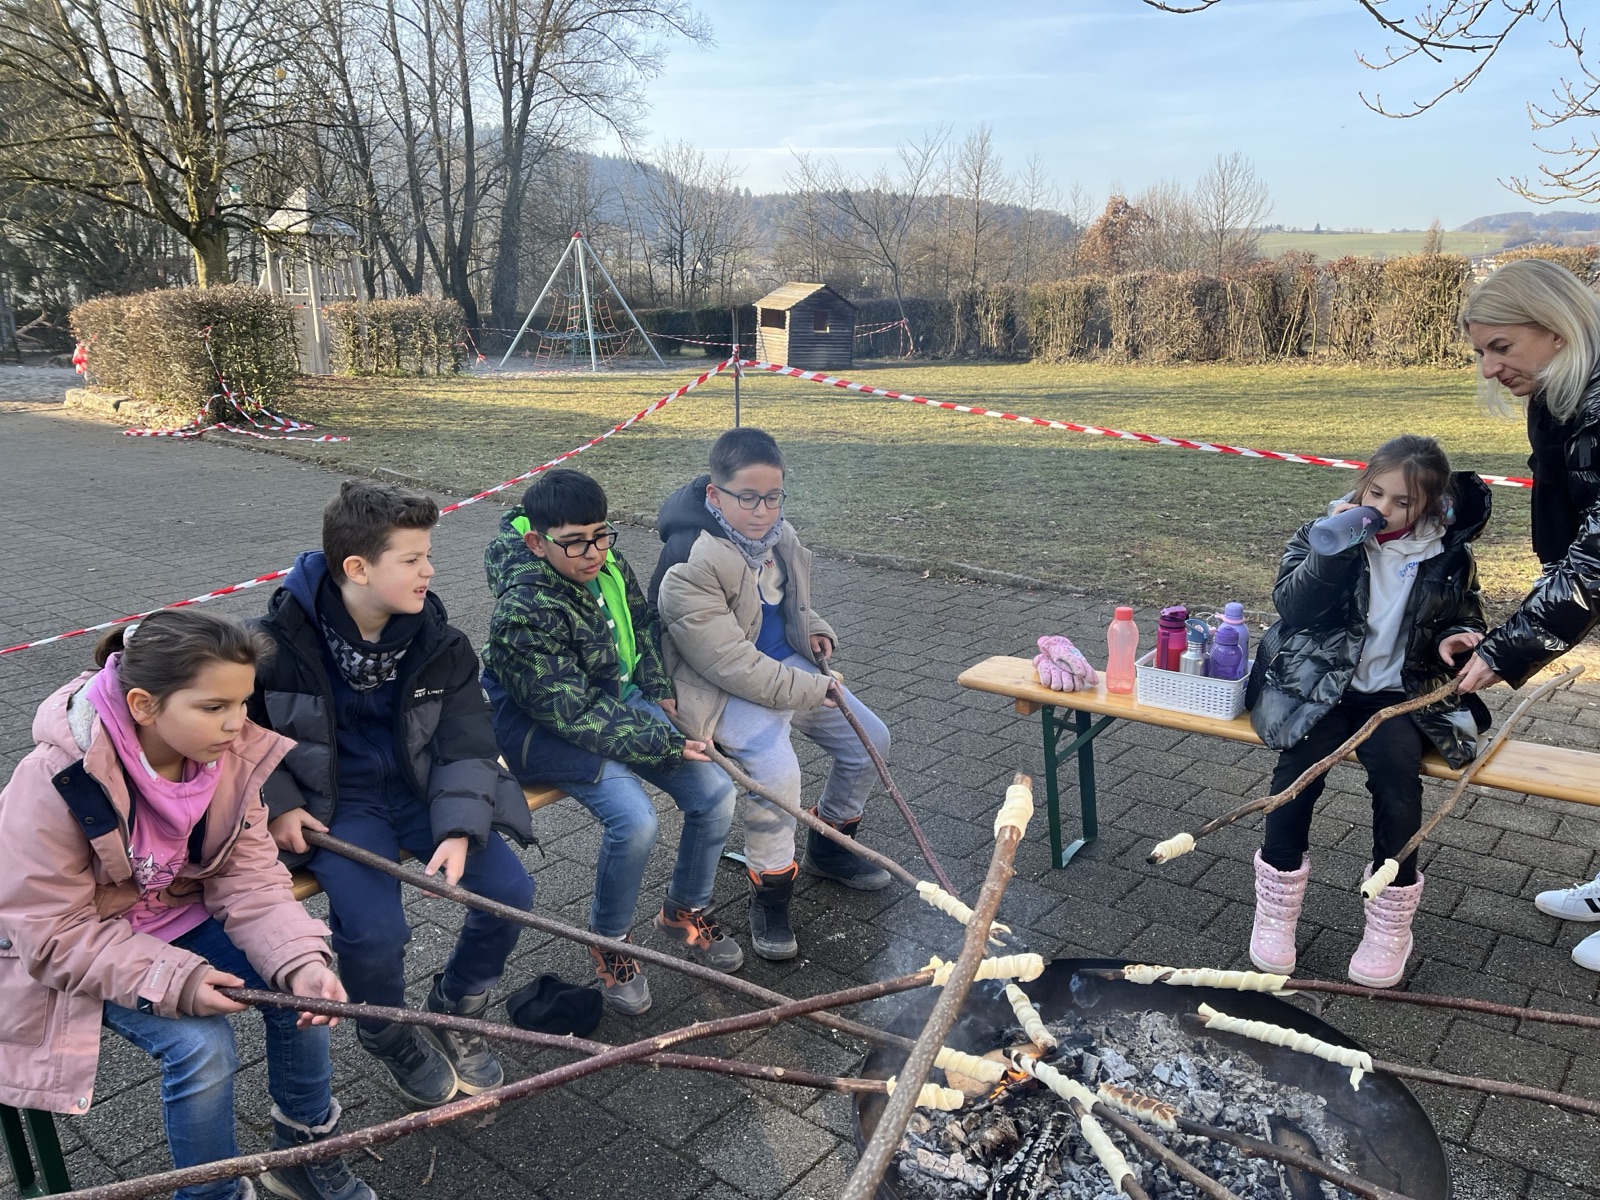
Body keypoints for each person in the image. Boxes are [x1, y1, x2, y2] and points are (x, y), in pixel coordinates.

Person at [0, 610, 374, 1200]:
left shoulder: (227, 757)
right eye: (214, 706)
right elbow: (51, 934)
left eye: (243, 702)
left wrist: (300, 959)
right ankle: (210, 1193)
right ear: (144, 705)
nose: (237, 723)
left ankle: (303, 1150)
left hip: (176, 914)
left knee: (303, 993)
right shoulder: (53, 780)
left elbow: (249, 875)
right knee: (203, 1048)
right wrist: (177, 980)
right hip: (87, 944)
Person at [251, 481, 535, 1109]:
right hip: (334, 805)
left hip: (423, 790)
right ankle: (383, 1028)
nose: (430, 570)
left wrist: (458, 827)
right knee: (376, 933)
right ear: (357, 568)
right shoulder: (270, 646)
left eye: (426, 555)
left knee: (511, 893)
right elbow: (235, 738)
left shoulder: (442, 643)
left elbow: (467, 740)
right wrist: (279, 801)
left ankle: (456, 1001)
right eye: (412, 559)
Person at [481, 469, 741, 1016]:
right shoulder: (522, 609)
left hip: (617, 704)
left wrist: (655, 686)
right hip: (547, 732)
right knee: (636, 821)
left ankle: (683, 910)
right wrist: (661, 742)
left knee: (716, 792)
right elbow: (569, 710)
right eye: (575, 541)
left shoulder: (605, 560)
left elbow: (639, 622)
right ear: (537, 543)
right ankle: (610, 939)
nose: (594, 552)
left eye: (601, 534)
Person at [1245, 435, 1491, 988]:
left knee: (1398, 779)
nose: (1383, 509)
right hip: (1322, 687)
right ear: (1362, 485)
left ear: (1428, 507)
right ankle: (1276, 910)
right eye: (1375, 493)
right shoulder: (1322, 533)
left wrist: (1456, 638)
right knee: (1294, 777)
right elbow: (1294, 608)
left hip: (1396, 694)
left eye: (1402, 502)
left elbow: (1465, 614)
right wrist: (1332, 551)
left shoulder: (1446, 553)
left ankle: (1389, 923)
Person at [650, 427, 892, 962]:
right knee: (778, 774)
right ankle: (772, 893)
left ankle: (830, 846)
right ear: (715, 495)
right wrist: (812, 688)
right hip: (716, 687)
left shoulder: (779, 536)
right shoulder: (690, 560)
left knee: (870, 740)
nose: (762, 511)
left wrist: (815, 629)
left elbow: (787, 604)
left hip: (785, 669)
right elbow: (731, 664)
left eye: (773, 496)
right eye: (748, 498)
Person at [1458, 258, 1600, 971]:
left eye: (1501, 347)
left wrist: (1504, 649)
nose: (1489, 368)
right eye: (1481, 352)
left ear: (1556, 328)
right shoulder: (1561, 397)